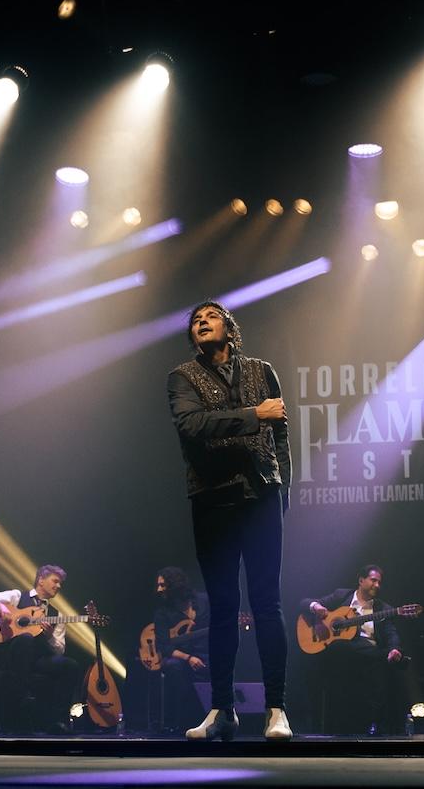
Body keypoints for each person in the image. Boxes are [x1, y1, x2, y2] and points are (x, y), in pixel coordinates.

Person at [167, 300, 291, 741]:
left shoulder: (262, 370)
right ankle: (222, 711)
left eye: (210, 316)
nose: (201, 321)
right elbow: (193, 424)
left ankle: (276, 709)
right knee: (221, 608)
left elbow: (281, 435)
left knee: (267, 603)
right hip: (212, 499)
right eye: (195, 320)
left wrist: (284, 488)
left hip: (261, 496)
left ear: (229, 328)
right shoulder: (182, 377)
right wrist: (253, 415)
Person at [302, 564, 405, 735]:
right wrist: (318, 612)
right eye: (373, 580)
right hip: (339, 651)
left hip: (367, 653)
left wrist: (394, 649)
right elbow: (304, 602)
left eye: (380, 582)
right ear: (361, 580)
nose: (377, 585)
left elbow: (391, 633)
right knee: (342, 647)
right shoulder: (342, 595)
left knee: (383, 656)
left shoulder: (383, 609)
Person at [0, 564, 80, 734]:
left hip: (38, 660)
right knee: (25, 639)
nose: (59, 586)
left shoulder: (56, 615)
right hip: (11, 653)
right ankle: (21, 699)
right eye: (55, 581)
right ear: (41, 580)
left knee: (70, 665)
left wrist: (49, 637)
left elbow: (60, 650)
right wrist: (0, 607)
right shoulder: (17, 597)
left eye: (60, 583)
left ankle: (58, 722)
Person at [152, 566, 211, 733]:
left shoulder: (204, 601)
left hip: (206, 652)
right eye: (158, 585)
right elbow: (163, 646)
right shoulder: (163, 613)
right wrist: (188, 658)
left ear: (175, 585)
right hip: (180, 657)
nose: (159, 589)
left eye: (162, 585)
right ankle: (183, 722)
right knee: (173, 666)